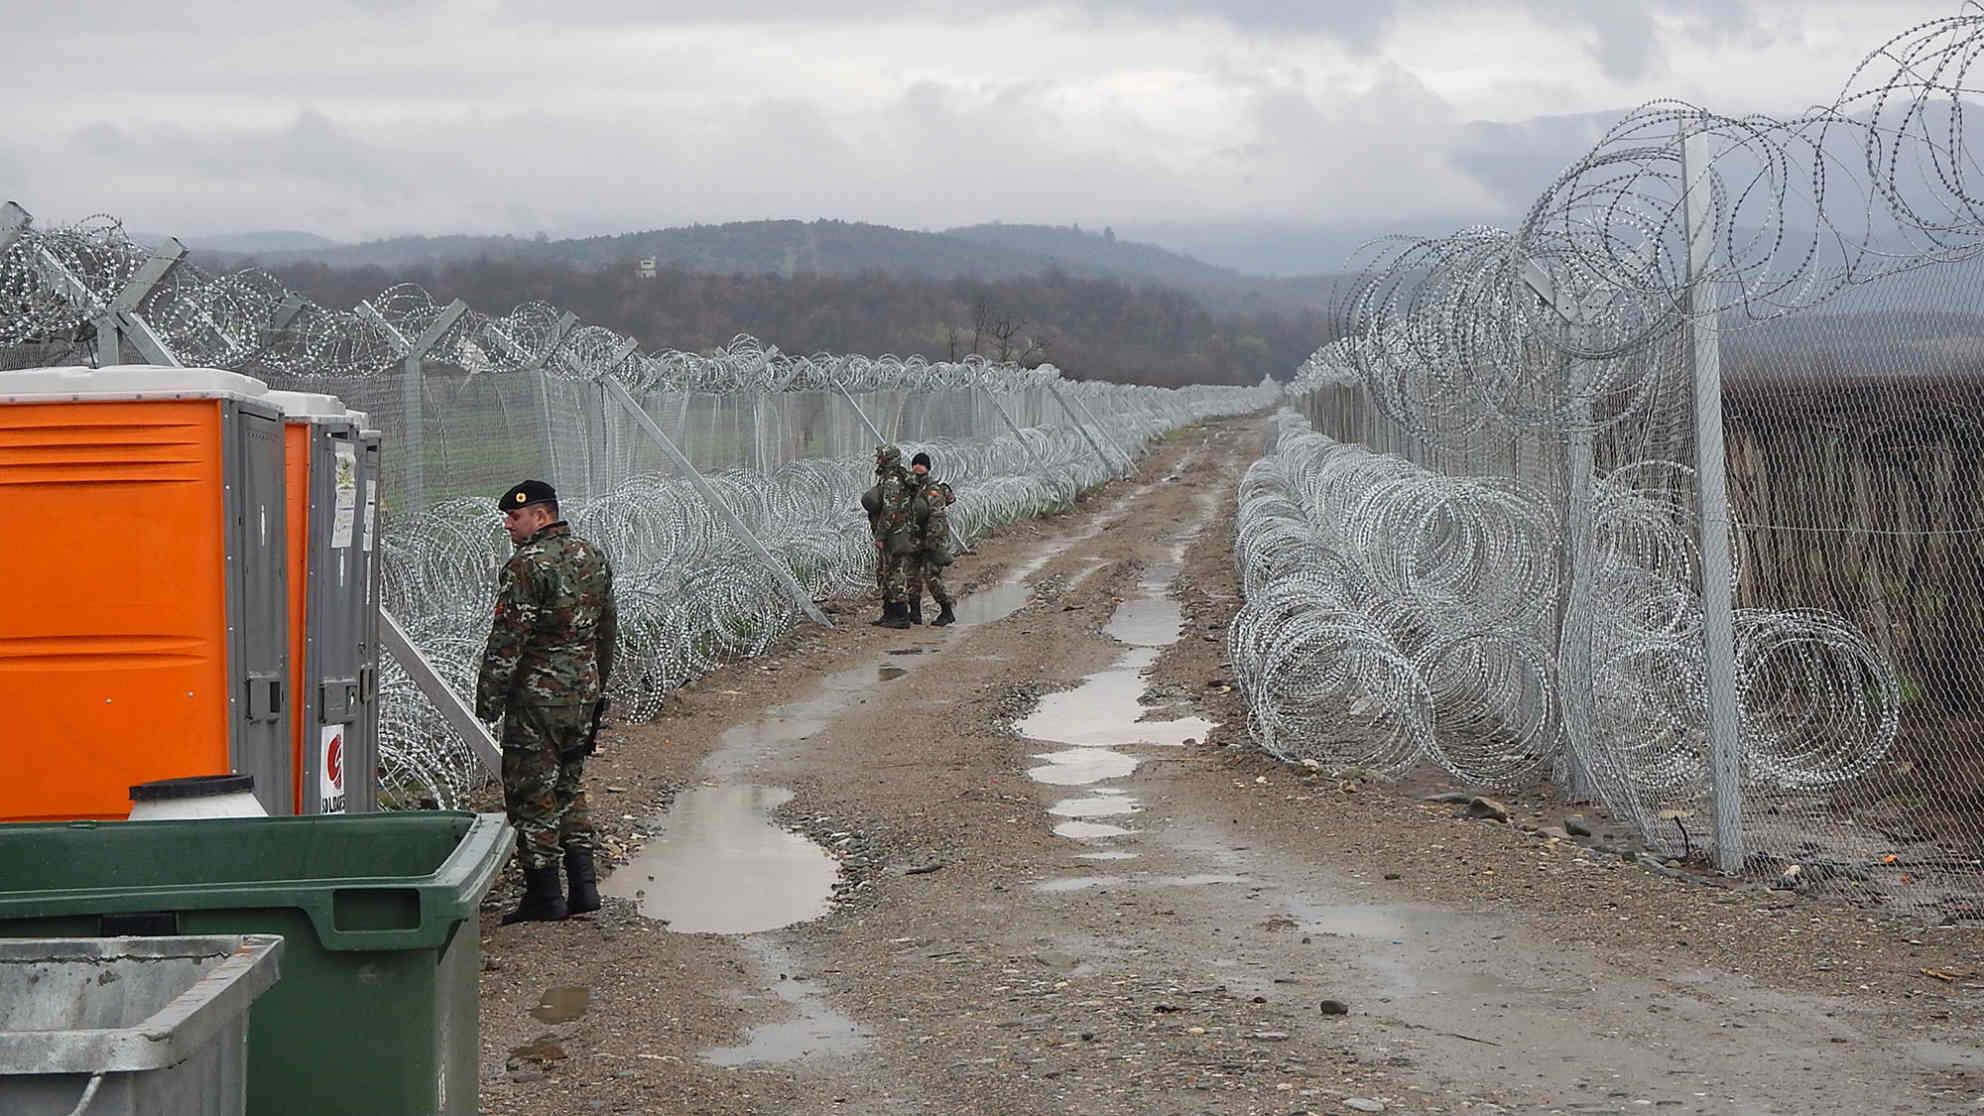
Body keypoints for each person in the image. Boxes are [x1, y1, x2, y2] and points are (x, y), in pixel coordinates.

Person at [476, 480, 618, 924]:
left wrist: (489, 699)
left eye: (514, 517)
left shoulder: (527, 565)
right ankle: (584, 887)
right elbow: (606, 628)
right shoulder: (591, 555)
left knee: (531, 792)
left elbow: (508, 639)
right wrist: (597, 684)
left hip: (538, 698)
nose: (507, 525)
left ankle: (544, 895)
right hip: (582, 693)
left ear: (540, 516)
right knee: (568, 787)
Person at [862, 445, 915, 629]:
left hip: (895, 534)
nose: (877, 461)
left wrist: (880, 535)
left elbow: (890, 511)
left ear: (888, 460)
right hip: (891, 533)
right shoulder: (887, 478)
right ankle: (889, 614)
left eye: (880, 458)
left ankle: (901, 617)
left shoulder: (892, 481)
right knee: (884, 572)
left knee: (894, 574)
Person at [907, 481, 958, 627]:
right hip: (916, 538)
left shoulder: (933, 489)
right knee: (912, 576)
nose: (918, 467)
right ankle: (915, 612)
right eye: (915, 464)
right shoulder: (913, 487)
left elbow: (937, 515)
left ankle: (947, 611)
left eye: (921, 465)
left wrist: (933, 541)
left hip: (931, 540)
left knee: (931, 577)